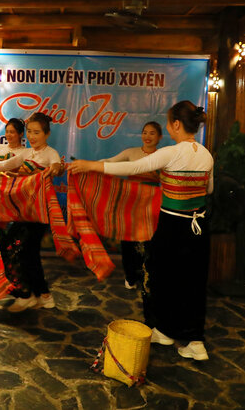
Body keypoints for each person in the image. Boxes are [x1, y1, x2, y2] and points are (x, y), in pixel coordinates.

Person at [71, 101, 213, 361]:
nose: (169, 127)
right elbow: (209, 189)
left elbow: (133, 168)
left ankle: (167, 330)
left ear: (176, 125)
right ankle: (194, 340)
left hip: (173, 225)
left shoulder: (172, 152)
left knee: (163, 277)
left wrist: (90, 166)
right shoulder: (206, 154)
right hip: (199, 226)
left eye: (169, 123)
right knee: (193, 281)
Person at [0, 112, 64, 312]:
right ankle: (41, 295)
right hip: (23, 212)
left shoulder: (50, 153)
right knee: (26, 254)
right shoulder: (27, 154)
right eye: (30, 132)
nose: (32, 136)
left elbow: (57, 166)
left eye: (37, 132)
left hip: (38, 213)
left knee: (18, 250)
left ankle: (26, 295)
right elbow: (3, 165)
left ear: (47, 134)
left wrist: (55, 169)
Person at [103, 121, 163, 290]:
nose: (148, 136)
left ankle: (147, 275)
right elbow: (110, 161)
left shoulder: (163, 155)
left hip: (152, 205)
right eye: (145, 132)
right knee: (128, 240)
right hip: (130, 203)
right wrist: (87, 165)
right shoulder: (131, 152)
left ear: (159, 137)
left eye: (152, 133)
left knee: (149, 242)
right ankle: (130, 276)